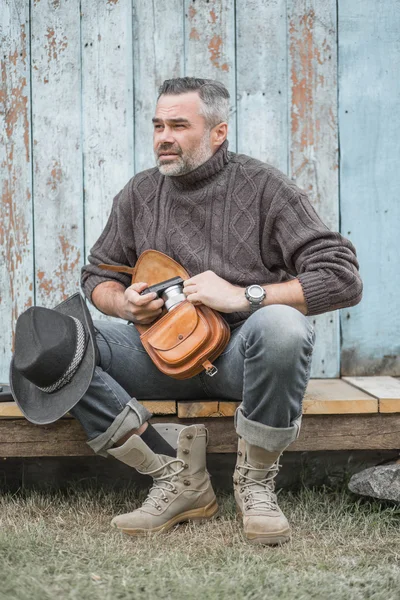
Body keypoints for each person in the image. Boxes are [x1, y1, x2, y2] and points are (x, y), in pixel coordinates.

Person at [72, 77, 362, 545]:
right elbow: (97, 276)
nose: (163, 137)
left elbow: (342, 277)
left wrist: (245, 296)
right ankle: (173, 474)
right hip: (154, 353)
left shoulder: (265, 187)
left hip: (238, 360)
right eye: (158, 125)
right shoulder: (138, 193)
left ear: (218, 132)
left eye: (179, 125)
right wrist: (121, 301)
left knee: (283, 327)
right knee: (61, 344)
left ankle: (257, 483)